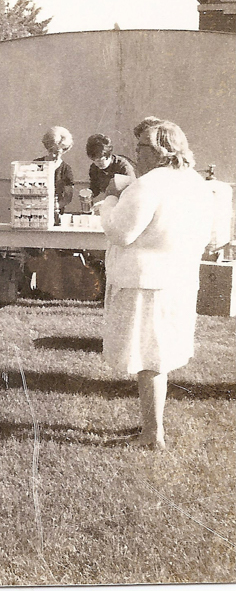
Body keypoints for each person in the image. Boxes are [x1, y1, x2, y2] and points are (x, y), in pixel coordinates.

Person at [101, 118, 213, 451]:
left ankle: (152, 434)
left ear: (160, 150)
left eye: (141, 147)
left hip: (146, 282)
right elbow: (210, 235)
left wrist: (109, 199)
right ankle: (153, 426)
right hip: (178, 280)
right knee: (159, 357)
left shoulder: (147, 184)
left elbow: (120, 232)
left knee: (149, 359)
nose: (136, 154)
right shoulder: (196, 183)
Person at [36, 126, 75, 219]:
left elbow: (68, 197)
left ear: (64, 150)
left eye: (57, 152)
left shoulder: (66, 169)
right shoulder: (36, 164)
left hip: (56, 213)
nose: (53, 155)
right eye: (50, 150)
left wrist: (54, 206)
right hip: (35, 212)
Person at [85, 133, 136, 200]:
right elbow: (95, 188)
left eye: (100, 160)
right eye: (94, 160)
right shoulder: (94, 168)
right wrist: (88, 193)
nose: (98, 163)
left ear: (108, 154)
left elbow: (132, 191)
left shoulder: (123, 166)